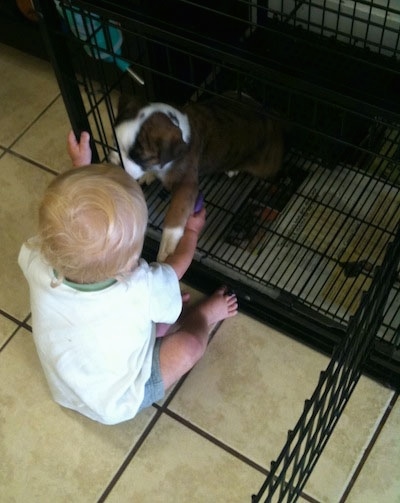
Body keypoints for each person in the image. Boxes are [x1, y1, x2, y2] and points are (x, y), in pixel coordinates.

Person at [18, 130, 238, 425]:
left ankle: (157, 324)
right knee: (188, 348)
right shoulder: (138, 288)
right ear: (128, 265)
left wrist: (80, 170)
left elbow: (72, 225)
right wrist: (193, 231)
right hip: (118, 399)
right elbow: (178, 264)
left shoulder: (36, 258)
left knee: (146, 309)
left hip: (67, 389)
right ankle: (204, 315)